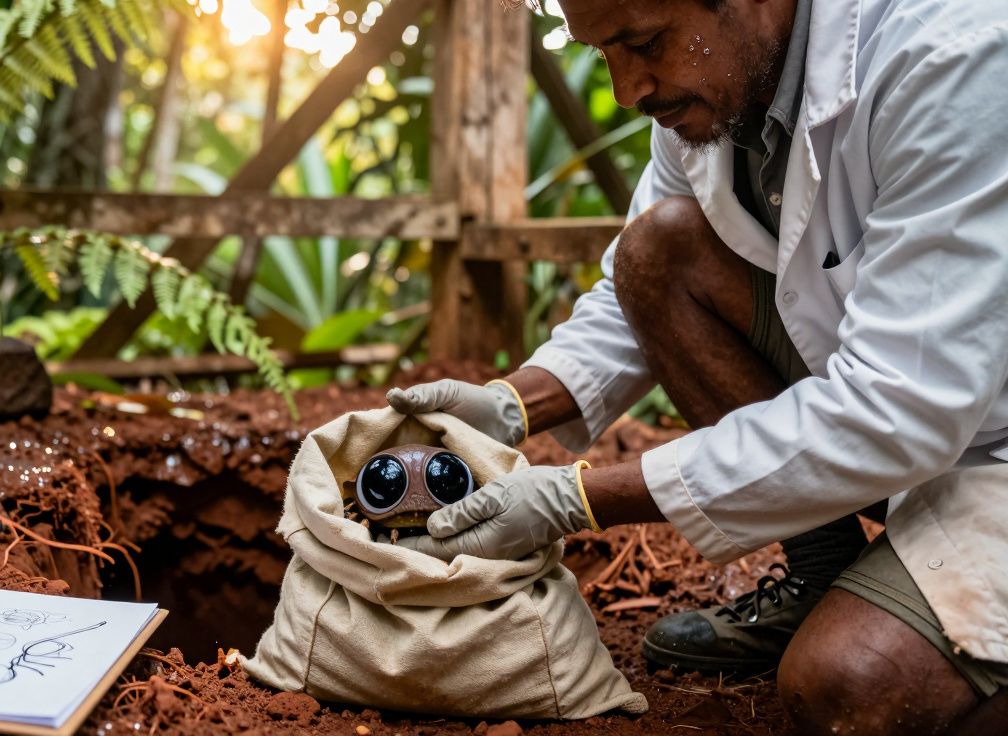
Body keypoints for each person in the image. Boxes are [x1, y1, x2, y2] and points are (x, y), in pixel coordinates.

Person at [388, 0, 1008, 732]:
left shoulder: (950, 56)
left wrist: (579, 499)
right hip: (913, 410)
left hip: (982, 442)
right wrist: (509, 404)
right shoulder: (719, 93)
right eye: (603, 54)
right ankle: (823, 571)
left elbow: (901, 406)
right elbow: (639, 284)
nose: (628, 90)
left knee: (848, 685)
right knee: (660, 252)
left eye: (644, 42)